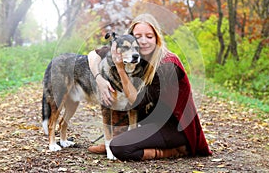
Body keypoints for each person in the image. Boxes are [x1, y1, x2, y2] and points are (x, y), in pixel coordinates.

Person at [87, 13, 212, 161]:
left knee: (119, 148)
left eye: (149, 36)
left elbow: (137, 103)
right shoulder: (136, 55)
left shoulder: (167, 65)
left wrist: (120, 69)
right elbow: (93, 55)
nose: (144, 41)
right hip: (151, 122)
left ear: (157, 39)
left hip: (175, 127)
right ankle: (127, 140)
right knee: (113, 98)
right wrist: (99, 79)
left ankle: (172, 151)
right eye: (138, 36)